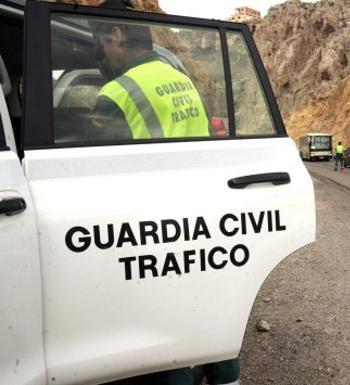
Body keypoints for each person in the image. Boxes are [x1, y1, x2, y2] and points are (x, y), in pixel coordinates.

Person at [92, 2, 239, 385]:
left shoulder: (116, 93)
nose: (101, 52)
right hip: (201, 215)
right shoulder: (179, 77)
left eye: (99, 41)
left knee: (165, 329)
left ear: (117, 35)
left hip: (151, 226)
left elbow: (98, 178)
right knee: (208, 314)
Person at [90, 0, 209, 140]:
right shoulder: (184, 79)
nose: (104, 54)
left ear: (116, 36)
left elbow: (101, 158)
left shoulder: (115, 94)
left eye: (101, 44)